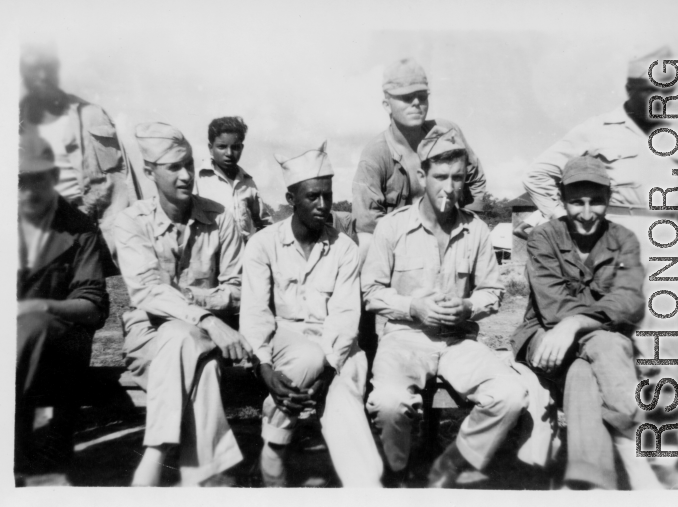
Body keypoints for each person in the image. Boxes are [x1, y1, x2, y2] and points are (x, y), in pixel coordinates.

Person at [362, 126, 527, 488]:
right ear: (422, 175)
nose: (449, 187)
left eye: (456, 177)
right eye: (440, 177)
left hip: (457, 342)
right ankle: (397, 473)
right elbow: (371, 291)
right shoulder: (392, 228)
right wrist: (413, 306)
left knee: (511, 395)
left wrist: (468, 307)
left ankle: (450, 465)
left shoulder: (477, 230)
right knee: (389, 403)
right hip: (404, 339)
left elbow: (492, 291)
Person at [521, 45, 678, 372]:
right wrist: (564, 222)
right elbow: (538, 175)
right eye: (651, 90)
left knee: (672, 336)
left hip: (671, 243)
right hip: (617, 244)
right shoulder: (598, 129)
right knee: (623, 331)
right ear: (629, 89)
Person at [511, 156, 662, 490]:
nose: (586, 212)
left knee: (584, 371)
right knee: (607, 342)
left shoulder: (624, 239)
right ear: (562, 201)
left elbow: (630, 300)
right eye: (576, 202)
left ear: (608, 200)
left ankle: (589, 483)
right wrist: (578, 322)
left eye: (596, 201)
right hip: (546, 342)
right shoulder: (544, 238)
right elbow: (552, 308)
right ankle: (635, 446)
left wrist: (577, 322)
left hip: (587, 351)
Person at [114, 122, 250, 486]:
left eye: (189, 164)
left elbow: (238, 288)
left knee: (184, 335)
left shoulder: (220, 217)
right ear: (149, 172)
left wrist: (193, 303)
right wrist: (208, 317)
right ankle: (206, 476)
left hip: (208, 338)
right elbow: (147, 292)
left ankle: (156, 458)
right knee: (187, 347)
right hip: (150, 341)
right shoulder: (130, 222)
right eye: (173, 167)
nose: (187, 175)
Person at [240, 141, 383, 488]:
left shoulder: (344, 249)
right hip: (285, 343)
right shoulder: (263, 244)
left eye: (328, 196)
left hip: (340, 349)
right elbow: (256, 311)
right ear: (291, 200)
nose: (323, 205)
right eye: (312, 197)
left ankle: (364, 485)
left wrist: (330, 367)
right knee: (305, 356)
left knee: (344, 396)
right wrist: (263, 365)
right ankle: (274, 456)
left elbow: (346, 317)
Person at [16, 133, 109, 482]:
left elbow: (92, 307)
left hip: (62, 345)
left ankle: (19, 450)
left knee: (32, 325)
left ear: (54, 179)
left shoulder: (79, 228)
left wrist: (37, 306)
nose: (26, 191)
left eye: (36, 179)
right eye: (16, 181)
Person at [352, 57, 487, 263]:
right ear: (387, 105)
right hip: (399, 244)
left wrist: (468, 224)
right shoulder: (375, 155)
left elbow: (475, 177)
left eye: (422, 97)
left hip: (449, 232)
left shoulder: (447, 133)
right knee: (365, 244)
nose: (416, 103)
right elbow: (368, 224)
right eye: (406, 98)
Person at [19, 41, 138, 257]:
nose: (43, 76)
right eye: (33, 69)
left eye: (48, 67)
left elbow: (120, 182)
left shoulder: (92, 115)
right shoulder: (13, 123)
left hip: (89, 229)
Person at [195, 116, 272, 242]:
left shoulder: (248, 183)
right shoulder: (198, 179)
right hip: (209, 256)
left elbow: (264, 223)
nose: (229, 153)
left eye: (235, 147)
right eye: (222, 147)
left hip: (243, 255)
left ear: (242, 148)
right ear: (210, 148)